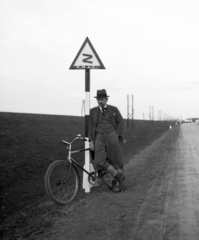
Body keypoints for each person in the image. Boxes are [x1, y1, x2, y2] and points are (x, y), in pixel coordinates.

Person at [89, 89, 125, 192]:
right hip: (99, 137)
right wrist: (91, 140)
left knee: (116, 161)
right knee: (99, 161)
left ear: (106, 99)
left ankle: (117, 184)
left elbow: (121, 122)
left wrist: (117, 134)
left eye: (102, 99)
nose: (100, 101)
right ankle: (118, 176)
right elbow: (91, 127)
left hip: (112, 136)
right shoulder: (93, 111)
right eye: (98, 99)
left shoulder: (114, 110)